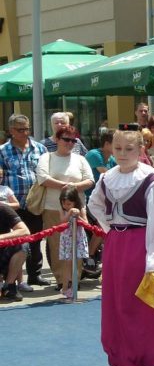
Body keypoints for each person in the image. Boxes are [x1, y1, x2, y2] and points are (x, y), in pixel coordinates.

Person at [89, 128, 154, 366]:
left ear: (141, 149)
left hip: (140, 248)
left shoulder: (150, 180)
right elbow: (94, 205)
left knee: (139, 308)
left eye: (129, 149)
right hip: (118, 246)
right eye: (117, 149)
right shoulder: (109, 178)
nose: (122, 154)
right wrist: (112, 229)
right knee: (118, 306)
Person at [35, 125, 94, 291]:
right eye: (66, 139)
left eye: (73, 140)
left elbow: (90, 180)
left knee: (78, 244)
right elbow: (43, 178)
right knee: (56, 245)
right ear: (57, 140)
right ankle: (62, 281)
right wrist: (66, 186)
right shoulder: (47, 157)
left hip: (78, 209)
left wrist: (72, 188)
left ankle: (74, 280)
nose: (70, 143)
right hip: (53, 208)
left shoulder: (80, 159)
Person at [0, 114, 50, 288]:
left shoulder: (40, 149)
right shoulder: (3, 151)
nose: (25, 132)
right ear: (11, 131)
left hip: (35, 203)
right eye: (20, 129)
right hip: (13, 205)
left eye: (27, 129)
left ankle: (35, 275)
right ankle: (15, 280)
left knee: (36, 239)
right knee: (19, 242)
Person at [57, 186, 89, 300]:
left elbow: (86, 223)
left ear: (75, 201)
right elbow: (62, 221)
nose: (66, 206)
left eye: (69, 204)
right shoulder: (62, 210)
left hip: (78, 237)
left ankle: (73, 284)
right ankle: (65, 286)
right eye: (64, 203)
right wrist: (69, 212)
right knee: (67, 262)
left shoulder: (81, 208)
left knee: (76, 262)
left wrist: (78, 215)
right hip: (67, 238)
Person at [0, 205, 30, 302]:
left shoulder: (4, 209)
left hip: (3, 254)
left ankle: (9, 285)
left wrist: (1, 237)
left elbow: (25, 231)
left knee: (23, 245)